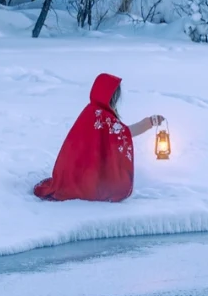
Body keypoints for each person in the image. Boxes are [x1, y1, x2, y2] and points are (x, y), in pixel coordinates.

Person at [33, 73, 164, 203]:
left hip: (72, 172)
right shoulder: (102, 116)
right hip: (85, 179)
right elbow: (123, 134)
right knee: (103, 189)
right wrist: (149, 123)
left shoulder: (91, 110)